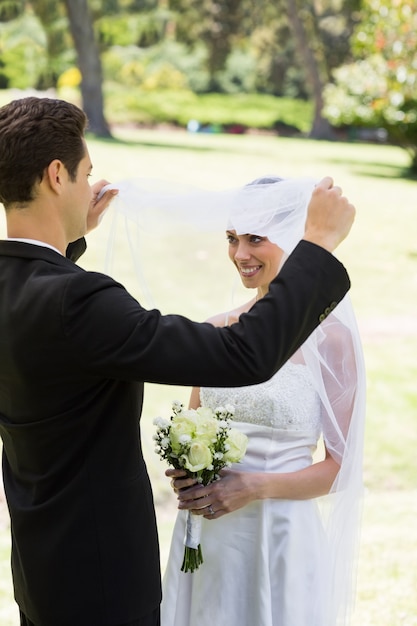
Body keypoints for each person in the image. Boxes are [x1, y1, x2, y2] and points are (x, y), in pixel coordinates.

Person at [0, 96, 354, 626]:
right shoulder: (80, 302)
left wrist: (67, 242)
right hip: (102, 579)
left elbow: (40, 309)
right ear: (57, 175)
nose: (89, 186)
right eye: (85, 174)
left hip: (42, 569)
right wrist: (319, 245)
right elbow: (241, 356)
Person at [161, 176, 365, 626]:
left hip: (280, 537)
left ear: (296, 239)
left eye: (256, 239)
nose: (240, 255)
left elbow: (341, 467)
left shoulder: (332, 339)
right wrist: (185, 472)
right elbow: (188, 427)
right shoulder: (215, 329)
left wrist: (253, 487)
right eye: (233, 239)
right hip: (207, 534)